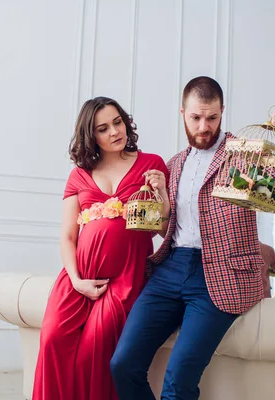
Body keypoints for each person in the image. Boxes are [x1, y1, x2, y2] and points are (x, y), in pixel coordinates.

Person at [110, 76, 275, 400]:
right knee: (123, 364)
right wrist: (160, 196)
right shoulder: (173, 164)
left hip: (220, 276)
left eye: (212, 117)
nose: (204, 126)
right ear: (182, 113)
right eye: (196, 117)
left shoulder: (244, 155)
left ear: (222, 112)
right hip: (170, 268)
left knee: (178, 382)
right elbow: (166, 228)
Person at [32, 96, 170, 400]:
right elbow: (68, 235)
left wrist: (161, 194)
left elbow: (163, 230)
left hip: (124, 278)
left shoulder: (152, 165)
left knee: (91, 352)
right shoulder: (79, 174)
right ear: (90, 135)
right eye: (103, 128)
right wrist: (76, 280)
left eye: (117, 122)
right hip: (78, 277)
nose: (115, 132)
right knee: (52, 339)